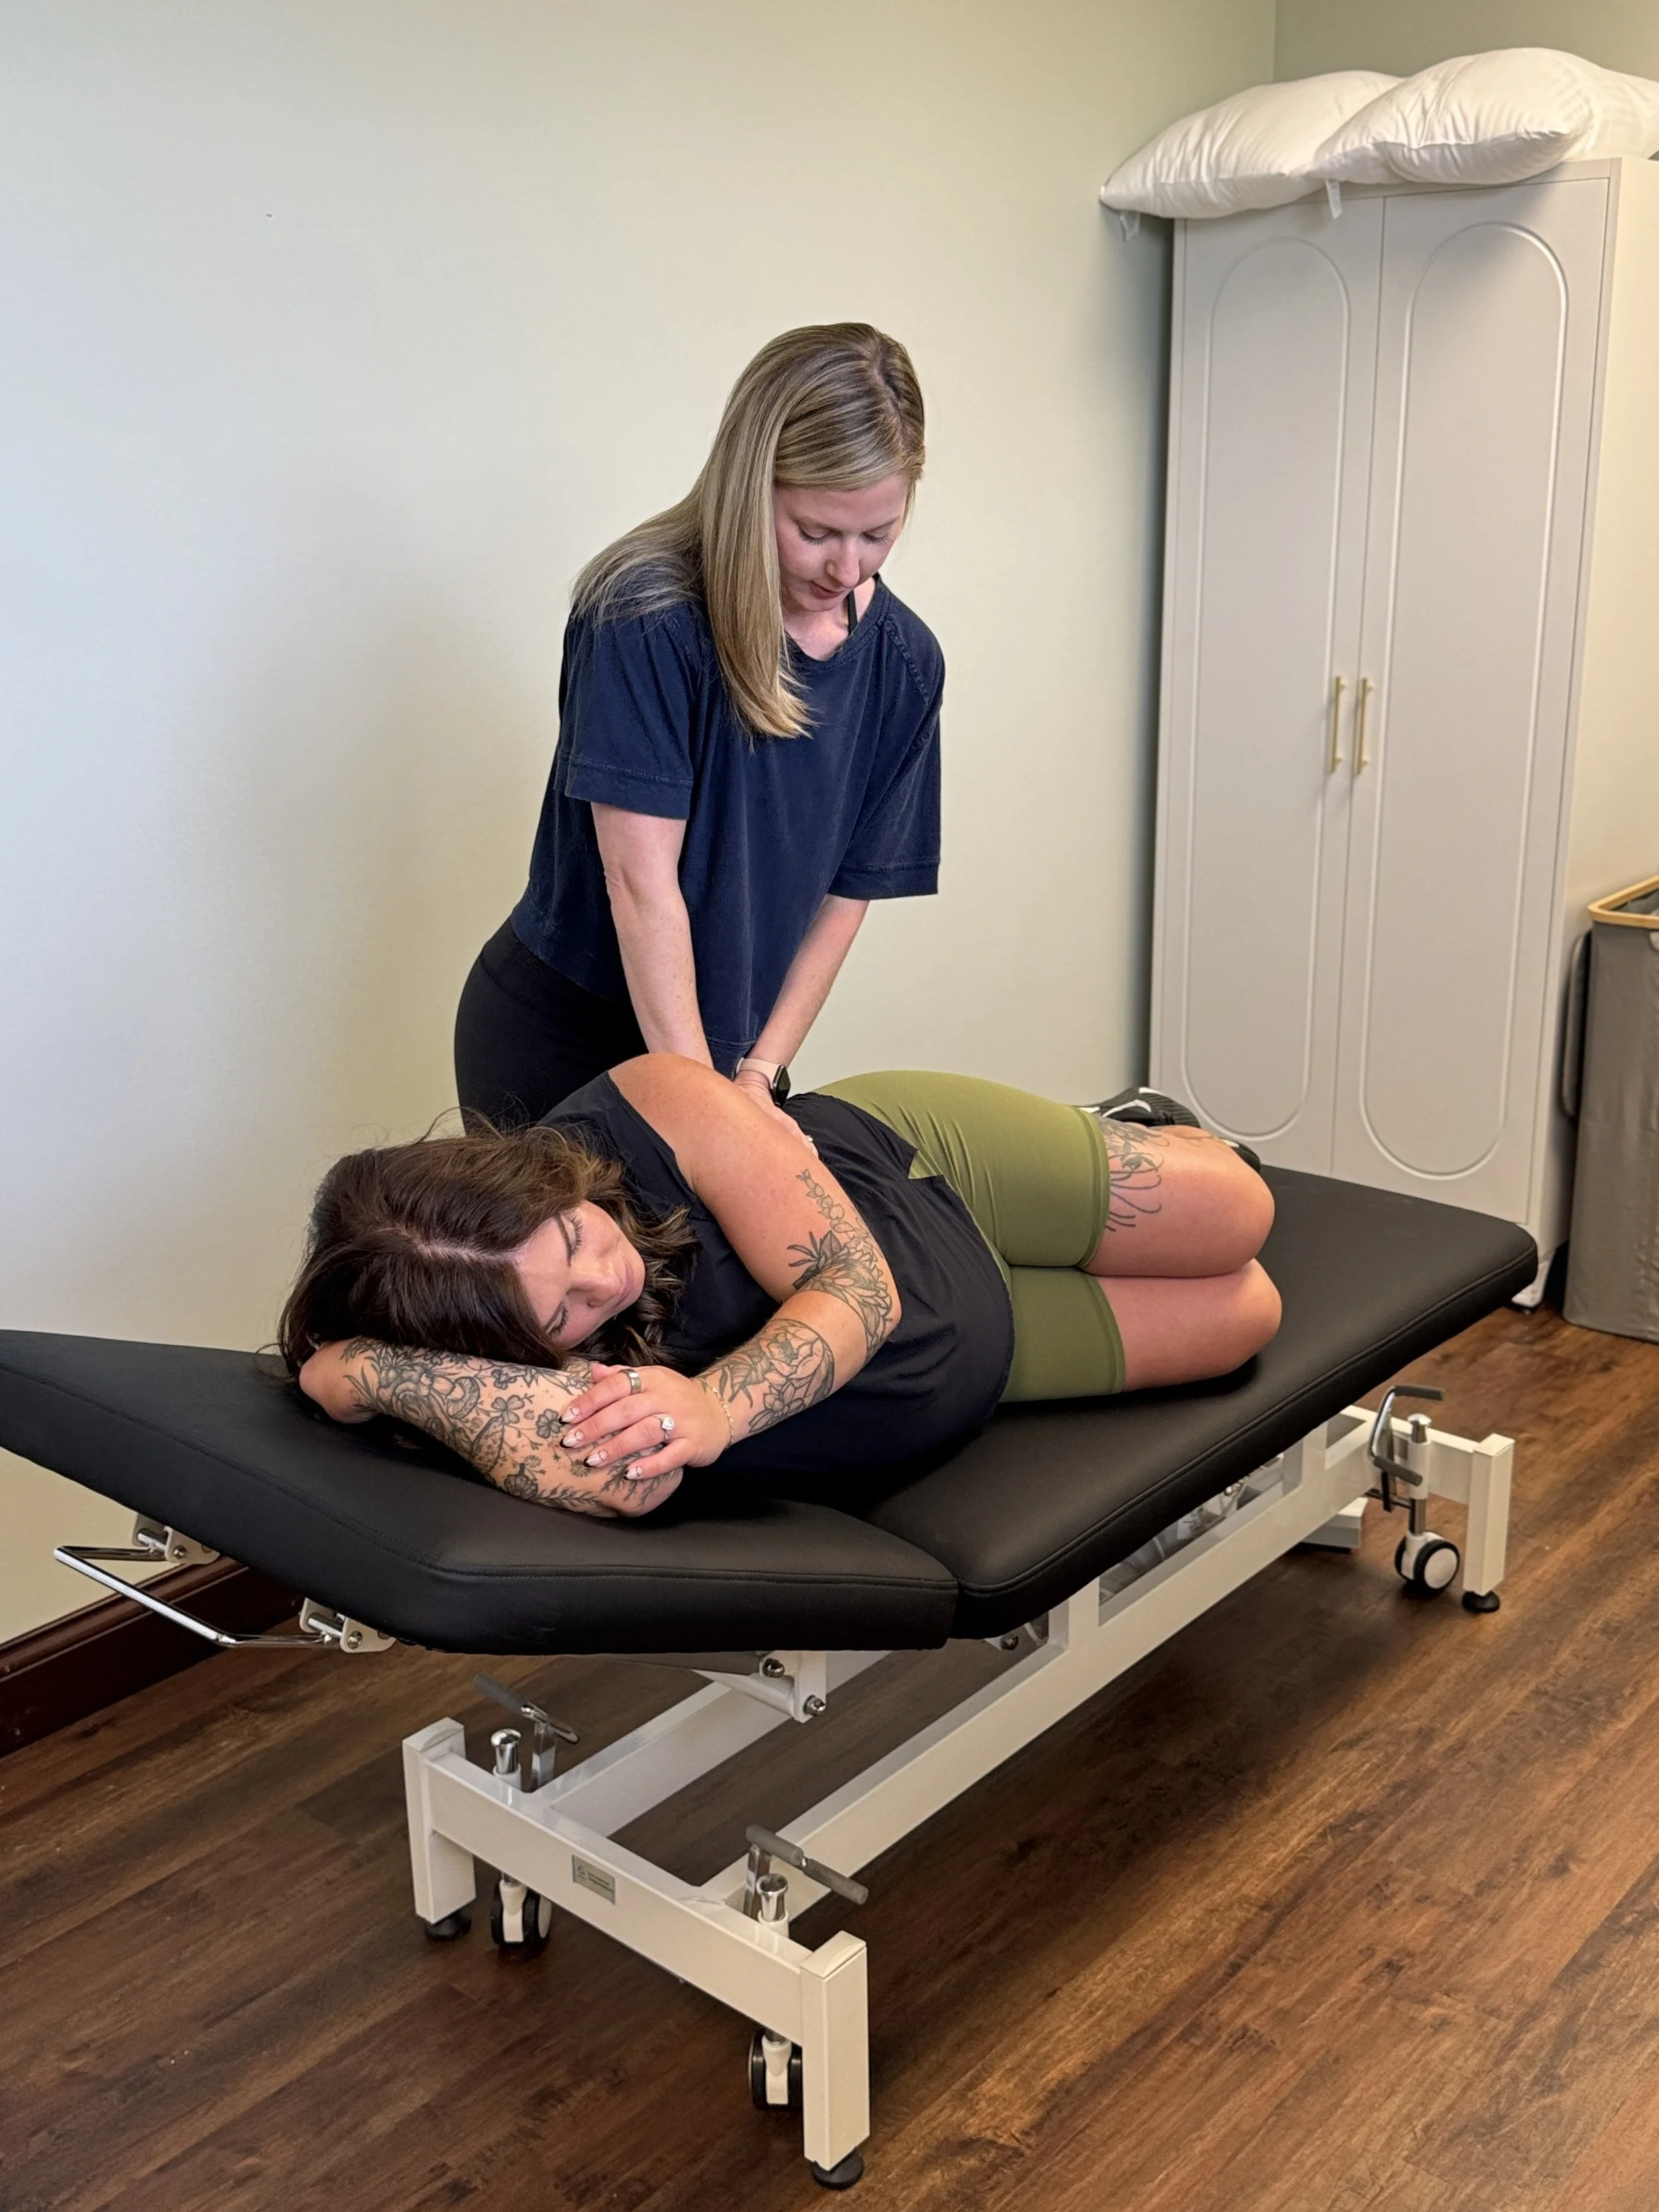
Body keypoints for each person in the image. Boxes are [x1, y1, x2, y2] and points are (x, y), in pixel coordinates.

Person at [285, 1061, 1281, 1520]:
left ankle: (1129, 1123)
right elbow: (619, 1484)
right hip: (987, 1341)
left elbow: (857, 1288)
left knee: (1243, 1212)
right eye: (563, 1314)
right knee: (1248, 1316)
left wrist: (714, 1403)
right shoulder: (512, 1366)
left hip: (919, 1179)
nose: (604, 1278)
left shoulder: (651, 1107)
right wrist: (372, 1368)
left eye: (573, 1232)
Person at [453, 323, 940, 1143]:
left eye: (878, 534)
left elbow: (845, 898)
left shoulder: (905, 664)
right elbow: (641, 885)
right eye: (816, 532)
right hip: (565, 1045)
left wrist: (755, 1076)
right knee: (594, 1277)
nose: (847, 569)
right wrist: (708, 1115)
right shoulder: (644, 616)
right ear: (750, 485)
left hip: (731, 1064)